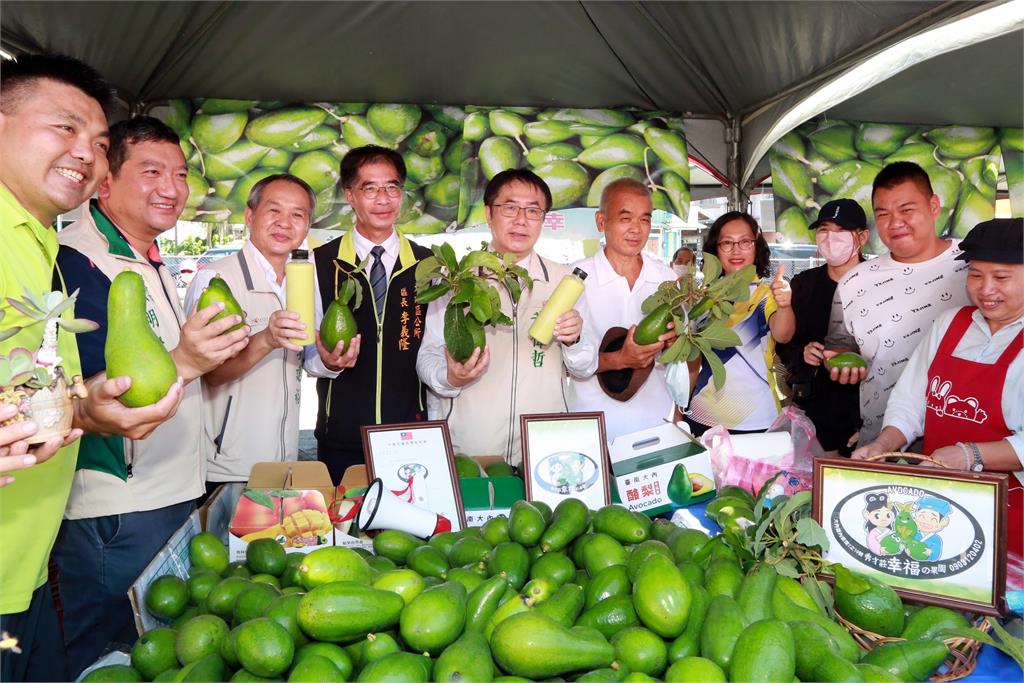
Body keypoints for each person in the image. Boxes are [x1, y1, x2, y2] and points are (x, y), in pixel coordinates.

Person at [0, 55, 188, 683]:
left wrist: (86, 407)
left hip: (22, 570)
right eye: (63, 128)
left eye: (99, 141)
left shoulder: (43, 245)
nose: (86, 151)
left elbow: (35, 396)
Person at [52, 116, 249, 676]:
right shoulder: (78, 264)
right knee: (109, 659)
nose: (172, 187)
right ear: (105, 182)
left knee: (158, 649)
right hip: (116, 510)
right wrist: (187, 359)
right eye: (152, 171)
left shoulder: (146, 260)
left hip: (167, 491)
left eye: (181, 174)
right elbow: (101, 394)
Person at [853, 218, 1022, 573]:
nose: (986, 289)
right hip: (939, 505)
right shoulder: (951, 323)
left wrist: (970, 454)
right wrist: (884, 444)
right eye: (976, 275)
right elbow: (910, 401)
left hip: (1012, 516)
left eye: (1002, 277)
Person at [417, 168, 598, 466]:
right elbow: (428, 357)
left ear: (544, 218)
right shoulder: (456, 279)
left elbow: (587, 367)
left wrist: (575, 340)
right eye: (510, 207)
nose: (521, 220)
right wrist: (450, 377)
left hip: (545, 446)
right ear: (489, 214)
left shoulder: (566, 281)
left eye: (533, 210)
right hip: (472, 447)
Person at [308, 146, 433, 482]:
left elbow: (434, 348)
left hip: (410, 433)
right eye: (371, 188)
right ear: (350, 195)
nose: (384, 199)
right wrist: (328, 363)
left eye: (393, 188)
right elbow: (307, 352)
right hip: (341, 434)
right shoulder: (319, 263)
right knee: (344, 527)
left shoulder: (429, 265)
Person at [184, 174, 314, 491]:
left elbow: (309, 358)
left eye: (297, 214)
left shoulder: (304, 281)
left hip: (284, 462)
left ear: (308, 226)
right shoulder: (217, 280)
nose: (285, 223)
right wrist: (266, 339)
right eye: (274, 211)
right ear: (250, 216)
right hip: (228, 466)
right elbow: (205, 371)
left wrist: (333, 358)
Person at [836, 162, 969, 446]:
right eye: (883, 214)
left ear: (934, 206)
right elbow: (839, 345)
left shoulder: (975, 267)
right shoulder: (852, 283)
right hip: (879, 441)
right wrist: (838, 363)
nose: (895, 223)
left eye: (907, 210)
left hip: (963, 445)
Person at [569, 179, 677, 441]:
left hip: (655, 424)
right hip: (592, 428)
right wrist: (620, 359)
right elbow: (568, 362)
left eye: (644, 220)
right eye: (625, 218)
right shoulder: (575, 279)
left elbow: (679, 360)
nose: (636, 230)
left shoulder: (667, 279)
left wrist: (675, 345)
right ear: (601, 222)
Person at [685, 211, 794, 436]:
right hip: (704, 417)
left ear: (756, 248)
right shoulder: (702, 301)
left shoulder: (766, 296)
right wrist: (679, 410)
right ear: (715, 250)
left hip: (758, 420)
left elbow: (783, 334)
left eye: (745, 242)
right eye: (727, 243)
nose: (736, 250)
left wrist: (784, 305)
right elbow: (693, 364)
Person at [776, 199, 869, 454]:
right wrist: (802, 355)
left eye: (841, 230)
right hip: (814, 414)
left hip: (863, 415)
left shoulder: (879, 283)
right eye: (824, 230)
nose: (831, 238)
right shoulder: (804, 285)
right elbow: (784, 344)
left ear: (862, 236)